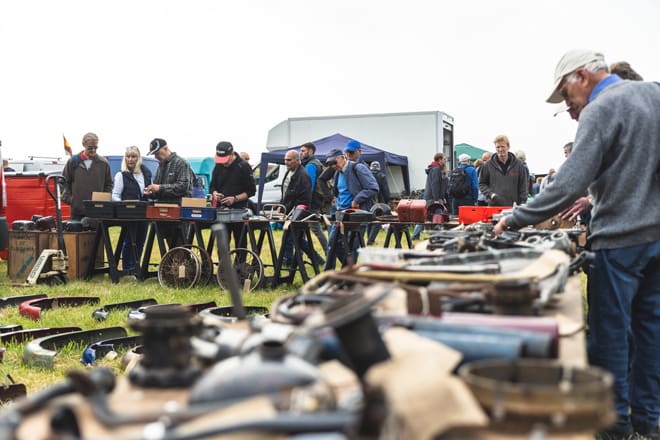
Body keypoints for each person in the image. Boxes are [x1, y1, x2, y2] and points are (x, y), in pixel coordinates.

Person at [494, 49, 660, 439]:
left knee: (611, 335)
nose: (569, 106)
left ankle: (615, 424)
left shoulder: (599, 110)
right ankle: (648, 422)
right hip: (656, 239)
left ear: (582, 77)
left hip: (618, 242)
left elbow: (568, 182)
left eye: (566, 95)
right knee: (652, 331)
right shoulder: (654, 94)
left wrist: (515, 219)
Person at [324, 148, 378, 269]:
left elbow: (373, 187)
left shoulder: (358, 168)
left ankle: (348, 275)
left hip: (355, 215)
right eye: (329, 164)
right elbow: (339, 191)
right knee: (332, 243)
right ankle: (334, 272)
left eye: (334, 162)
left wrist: (357, 199)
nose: (333, 166)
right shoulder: (338, 172)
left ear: (342, 158)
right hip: (341, 215)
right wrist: (335, 199)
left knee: (352, 248)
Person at [144, 138, 193, 248]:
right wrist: (150, 192)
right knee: (170, 245)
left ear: (166, 149)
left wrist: (159, 188)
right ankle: (173, 264)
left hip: (180, 213)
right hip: (164, 214)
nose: (155, 156)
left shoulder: (181, 163)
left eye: (157, 153)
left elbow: (183, 187)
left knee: (181, 246)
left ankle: (183, 265)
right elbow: (158, 189)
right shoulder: (160, 165)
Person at [280, 150, 324, 267]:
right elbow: (286, 193)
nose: (286, 162)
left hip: (299, 212)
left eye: (289, 160)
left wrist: (295, 214)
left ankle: (287, 260)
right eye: (285, 160)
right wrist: (282, 206)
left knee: (290, 237)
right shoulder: (289, 172)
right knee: (297, 239)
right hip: (289, 210)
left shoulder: (303, 176)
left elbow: (304, 199)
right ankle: (316, 259)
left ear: (297, 160)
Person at [111, 146, 152, 272]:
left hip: (143, 213)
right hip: (128, 214)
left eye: (133, 156)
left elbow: (148, 192)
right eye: (128, 156)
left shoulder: (146, 174)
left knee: (141, 241)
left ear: (138, 158)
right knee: (129, 241)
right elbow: (115, 196)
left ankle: (135, 267)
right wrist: (124, 206)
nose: (130, 159)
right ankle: (126, 267)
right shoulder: (121, 175)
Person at [210, 141, 256, 249]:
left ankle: (240, 264)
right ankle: (224, 265)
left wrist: (235, 199)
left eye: (225, 160)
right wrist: (215, 193)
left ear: (231, 154)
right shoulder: (218, 166)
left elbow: (251, 191)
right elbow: (212, 186)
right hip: (222, 211)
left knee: (240, 244)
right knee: (222, 245)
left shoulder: (243, 166)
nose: (224, 163)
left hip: (239, 212)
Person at [62, 132, 113, 221]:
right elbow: (63, 182)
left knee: (96, 235)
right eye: (90, 148)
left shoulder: (104, 163)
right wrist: (70, 200)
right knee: (76, 235)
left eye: (95, 148)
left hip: (97, 212)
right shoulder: (72, 162)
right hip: (76, 212)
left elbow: (109, 184)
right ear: (83, 145)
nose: (93, 150)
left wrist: (103, 200)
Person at [478, 135, 528, 206]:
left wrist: (522, 203)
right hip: (494, 206)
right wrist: (491, 194)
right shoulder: (488, 165)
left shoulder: (519, 165)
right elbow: (481, 184)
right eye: (498, 147)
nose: (500, 149)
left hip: (513, 207)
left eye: (502, 146)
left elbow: (524, 186)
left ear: (508, 147)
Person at [300, 142, 329, 253]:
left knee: (316, 229)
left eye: (303, 151)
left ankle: (328, 254)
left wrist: (304, 203)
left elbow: (309, 186)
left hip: (310, 202)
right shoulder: (316, 163)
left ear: (311, 151)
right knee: (301, 229)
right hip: (315, 200)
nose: (301, 153)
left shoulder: (311, 165)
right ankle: (303, 256)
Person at [412, 152, 447, 240]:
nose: (445, 160)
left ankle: (416, 236)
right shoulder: (436, 169)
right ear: (439, 160)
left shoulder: (434, 169)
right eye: (444, 159)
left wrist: (442, 197)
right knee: (438, 216)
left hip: (431, 196)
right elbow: (435, 185)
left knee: (424, 216)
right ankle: (436, 237)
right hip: (433, 197)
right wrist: (436, 199)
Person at [366, 161, 390, 245]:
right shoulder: (382, 176)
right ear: (379, 168)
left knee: (369, 220)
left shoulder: (367, 175)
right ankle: (370, 240)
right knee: (377, 221)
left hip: (368, 200)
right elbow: (385, 190)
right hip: (378, 201)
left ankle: (369, 238)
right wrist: (387, 201)